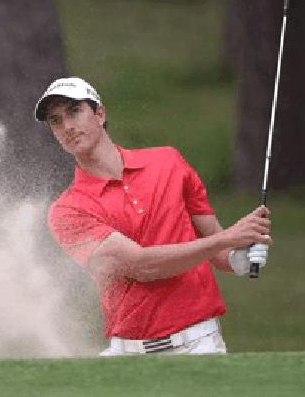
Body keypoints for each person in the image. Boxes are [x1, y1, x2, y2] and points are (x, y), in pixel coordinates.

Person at [34, 76, 272, 355]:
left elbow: (216, 247)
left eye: (74, 111)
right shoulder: (68, 211)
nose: (67, 126)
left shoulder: (168, 162)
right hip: (129, 353)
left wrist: (238, 257)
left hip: (200, 345)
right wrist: (228, 239)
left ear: (100, 113)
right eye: (55, 120)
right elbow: (141, 266)